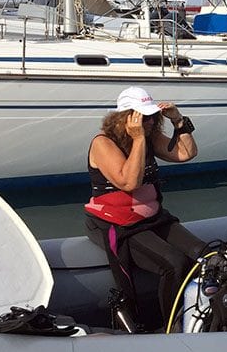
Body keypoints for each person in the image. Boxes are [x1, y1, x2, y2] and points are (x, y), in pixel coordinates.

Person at [84, 86, 204, 330]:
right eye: (145, 117)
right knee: (174, 262)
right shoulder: (103, 143)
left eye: (152, 117)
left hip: (151, 218)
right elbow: (129, 182)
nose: (150, 122)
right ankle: (172, 328)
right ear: (126, 117)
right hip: (118, 223)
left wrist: (179, 121)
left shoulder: (149, 137)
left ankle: (198, 315)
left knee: (202, 252)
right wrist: (138, 139)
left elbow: (186, 154)